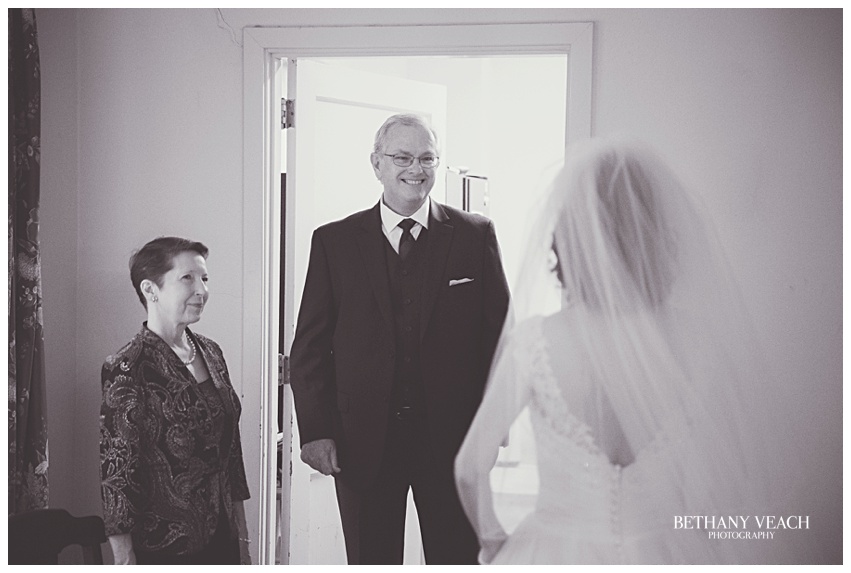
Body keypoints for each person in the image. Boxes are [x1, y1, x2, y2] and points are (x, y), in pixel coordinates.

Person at [455, 139, 773, 564]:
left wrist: (493, 542)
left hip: (553, 552)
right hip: (668, 550)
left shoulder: (536, 343)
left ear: (570, 240)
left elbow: (469, 467)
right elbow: (738, 475)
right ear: (658, 237)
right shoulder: (697, 340)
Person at [290, 113, 511, 564]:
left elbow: (501, 341)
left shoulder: (474, 235)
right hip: (360, 442)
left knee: (457, 560)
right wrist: (316, 431)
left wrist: (494, 427)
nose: (417, 168)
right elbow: (310, 347)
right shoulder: (334, 241)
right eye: (403, 157)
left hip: (453, 441)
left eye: (427, 157)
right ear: (377, 163)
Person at [99, 237, 251, 565]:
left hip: (223, 537)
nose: (202, 290)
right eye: (188, 278)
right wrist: (124, 560)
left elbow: (231, 452)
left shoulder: (211, 352)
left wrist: (242, 535)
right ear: (150, 290)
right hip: (166, 546)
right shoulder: (128, 365)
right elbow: (118, 473)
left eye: (204, 279)